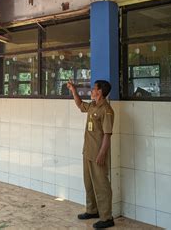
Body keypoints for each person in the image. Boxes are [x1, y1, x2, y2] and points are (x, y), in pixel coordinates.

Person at [67, 79, 115, 229]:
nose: (91, 91)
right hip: (87, 152)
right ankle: (92, 210)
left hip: (98, 155)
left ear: (100, 92)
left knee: (101, 185)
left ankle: (107, 217)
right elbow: (80, 105)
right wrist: (73, 90)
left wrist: (102, 154)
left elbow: (107, 135)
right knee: (89, 184)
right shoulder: (93, 106)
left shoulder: (106, 110)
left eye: (94, 89)